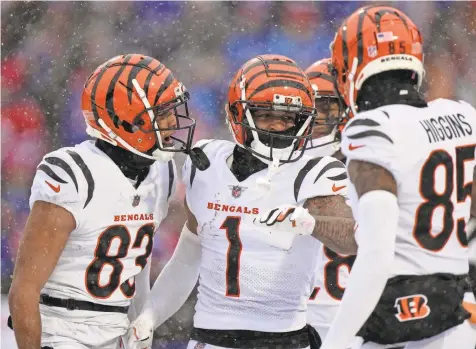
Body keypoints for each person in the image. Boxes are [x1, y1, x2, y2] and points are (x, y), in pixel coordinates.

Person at [316, 5, 476, 349]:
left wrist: (335, 342)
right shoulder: (457, 117)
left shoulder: (370, 130)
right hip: (453, 310)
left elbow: (376, 254)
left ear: (352, 67)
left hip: (393, 309)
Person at [126, 54, 357, 349]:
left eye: (288, 118)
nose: (277, 127)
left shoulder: (314, 172)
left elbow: (351, 237)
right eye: (265, 115)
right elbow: (187, 258)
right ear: (239, 114)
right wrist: (150, 316)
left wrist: (310, 223)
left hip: (283, 340)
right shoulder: (206, 163)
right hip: (209, 339)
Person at [8, 54, 199, 349]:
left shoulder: (162, 171)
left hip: (119, 332)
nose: (173, 122)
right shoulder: (73, 173)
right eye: (162, 114)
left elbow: (137, 265)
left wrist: (140, 326)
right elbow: (24, 290)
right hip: (63, 332)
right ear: (126, 121)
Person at [303, 58, 355, 341]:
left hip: (354, 316)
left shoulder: (369, 170)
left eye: (327, 107)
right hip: (299, 318)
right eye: (312, 107)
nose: (318, 117)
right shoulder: (283, 165)